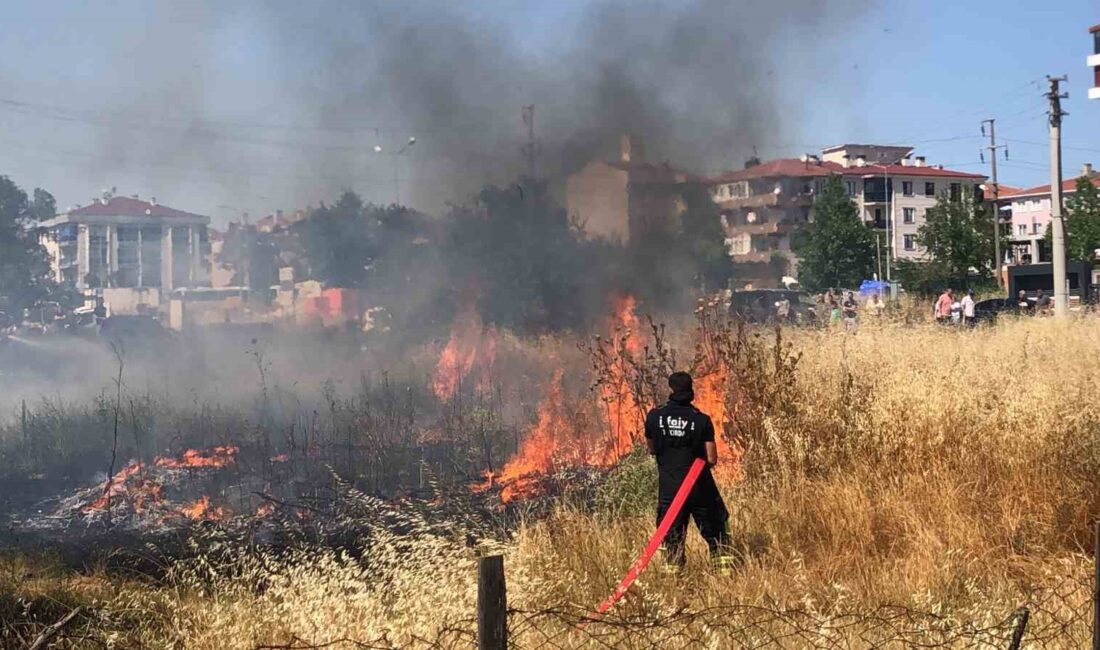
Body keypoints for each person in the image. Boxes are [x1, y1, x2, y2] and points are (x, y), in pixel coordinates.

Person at [645, 372, 733, 572]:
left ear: (671, 388)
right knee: (716, 531)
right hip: (699, 488)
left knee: (672, 538)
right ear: (690, 389)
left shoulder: (655, 416)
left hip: (670, 491)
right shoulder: (700, 420)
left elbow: (651, 448)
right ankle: (724, 575)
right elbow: (711, 459)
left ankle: (673, 587)